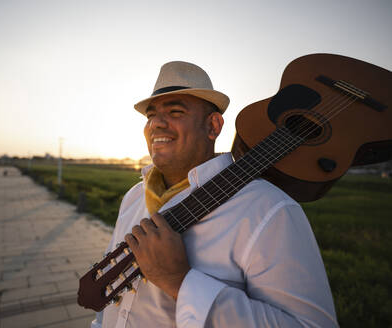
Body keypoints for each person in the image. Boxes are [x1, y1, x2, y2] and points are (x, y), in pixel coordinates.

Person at [91, 61, 338, 327]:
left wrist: (180, 282)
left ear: (213, 126)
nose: (156, 124)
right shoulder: (134, 197)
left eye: (175, 111)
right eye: (151, 115)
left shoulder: (269, 209)